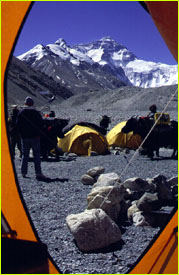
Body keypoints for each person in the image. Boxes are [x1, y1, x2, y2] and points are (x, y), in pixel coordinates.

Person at [16, 97, 46, 180]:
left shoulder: (21, 113)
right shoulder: (36, 113)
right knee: (36, 155)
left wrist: (21, 134)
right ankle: (38, 173)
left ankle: (23, 172)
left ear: (25, 104)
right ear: (33, 104)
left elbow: (18, 125)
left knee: (25, 155)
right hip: (35, 137)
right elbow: (41, 125)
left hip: (25, 137)